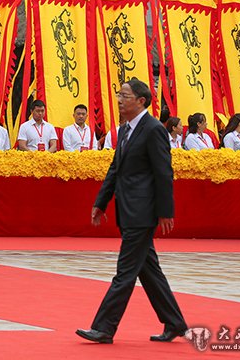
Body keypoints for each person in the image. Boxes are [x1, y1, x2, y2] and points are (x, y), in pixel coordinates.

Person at [77, 79, 187, 344]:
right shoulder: (125, 129)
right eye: (119, 94)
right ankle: (175, 323)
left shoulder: (153, 130)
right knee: (149, 271)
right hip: (127, 210)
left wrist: (165, 211)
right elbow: (116, 169)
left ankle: (104, 328)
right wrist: (101, 202)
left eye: (124, 95)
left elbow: (163, 173)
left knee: (125, 272)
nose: (119, 99)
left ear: (141, 101)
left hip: (142, 212)